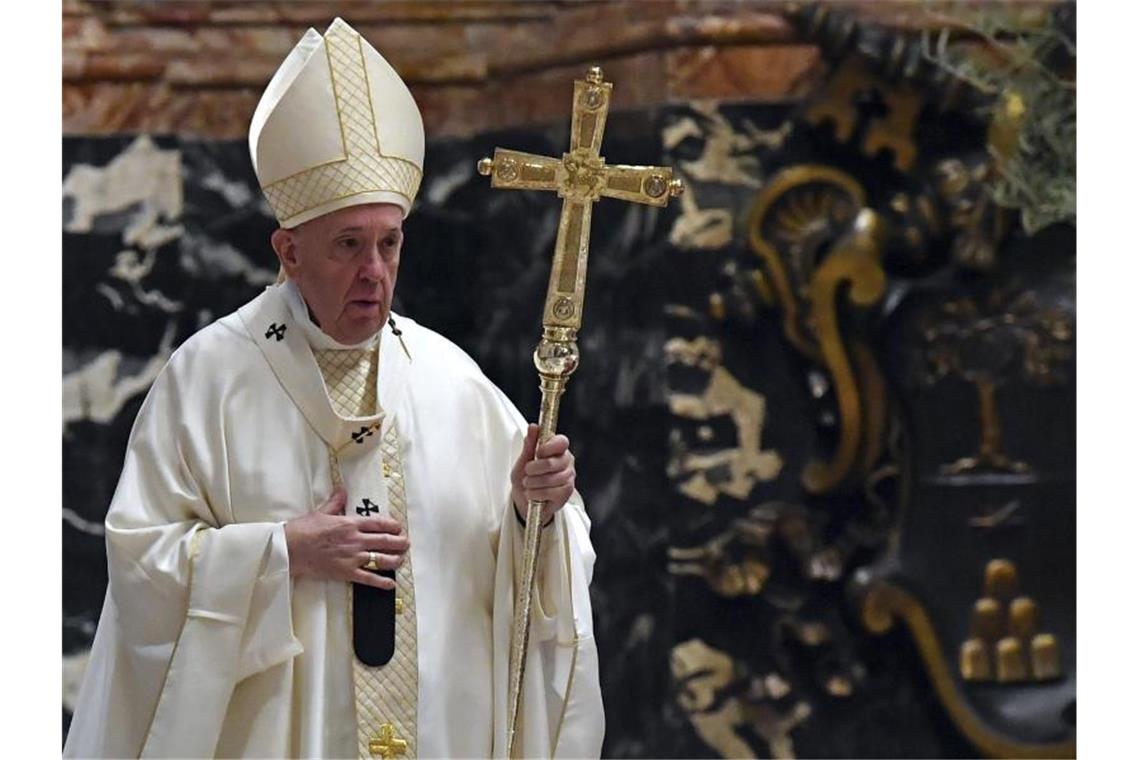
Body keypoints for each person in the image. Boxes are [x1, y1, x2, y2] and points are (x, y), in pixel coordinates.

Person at [64, 17, 604, 759]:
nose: (374, 271)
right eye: (348, 245)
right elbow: (140, 568)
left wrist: (530, 510)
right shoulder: (210, 377)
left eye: (388, 243)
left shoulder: (453, 383)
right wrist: (284, 552)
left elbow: (523, 586)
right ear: (288, 252)